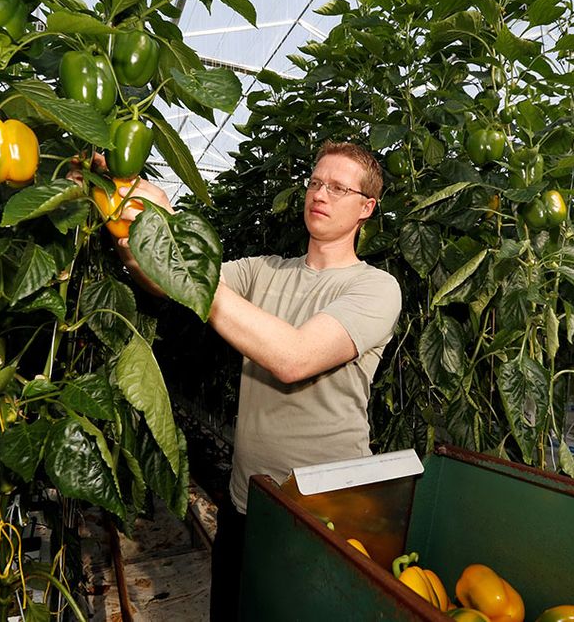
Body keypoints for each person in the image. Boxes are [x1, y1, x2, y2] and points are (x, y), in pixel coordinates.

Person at [112, 141, 402, 620]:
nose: (320, 194)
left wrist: (183, 253)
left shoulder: (374, 288)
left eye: (337, 187)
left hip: (325, 512)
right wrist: (126, 215)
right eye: (315, 182)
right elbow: (168, 280)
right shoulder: (262, 271)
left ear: (366, 208)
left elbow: (293, 357)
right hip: (247, 500)